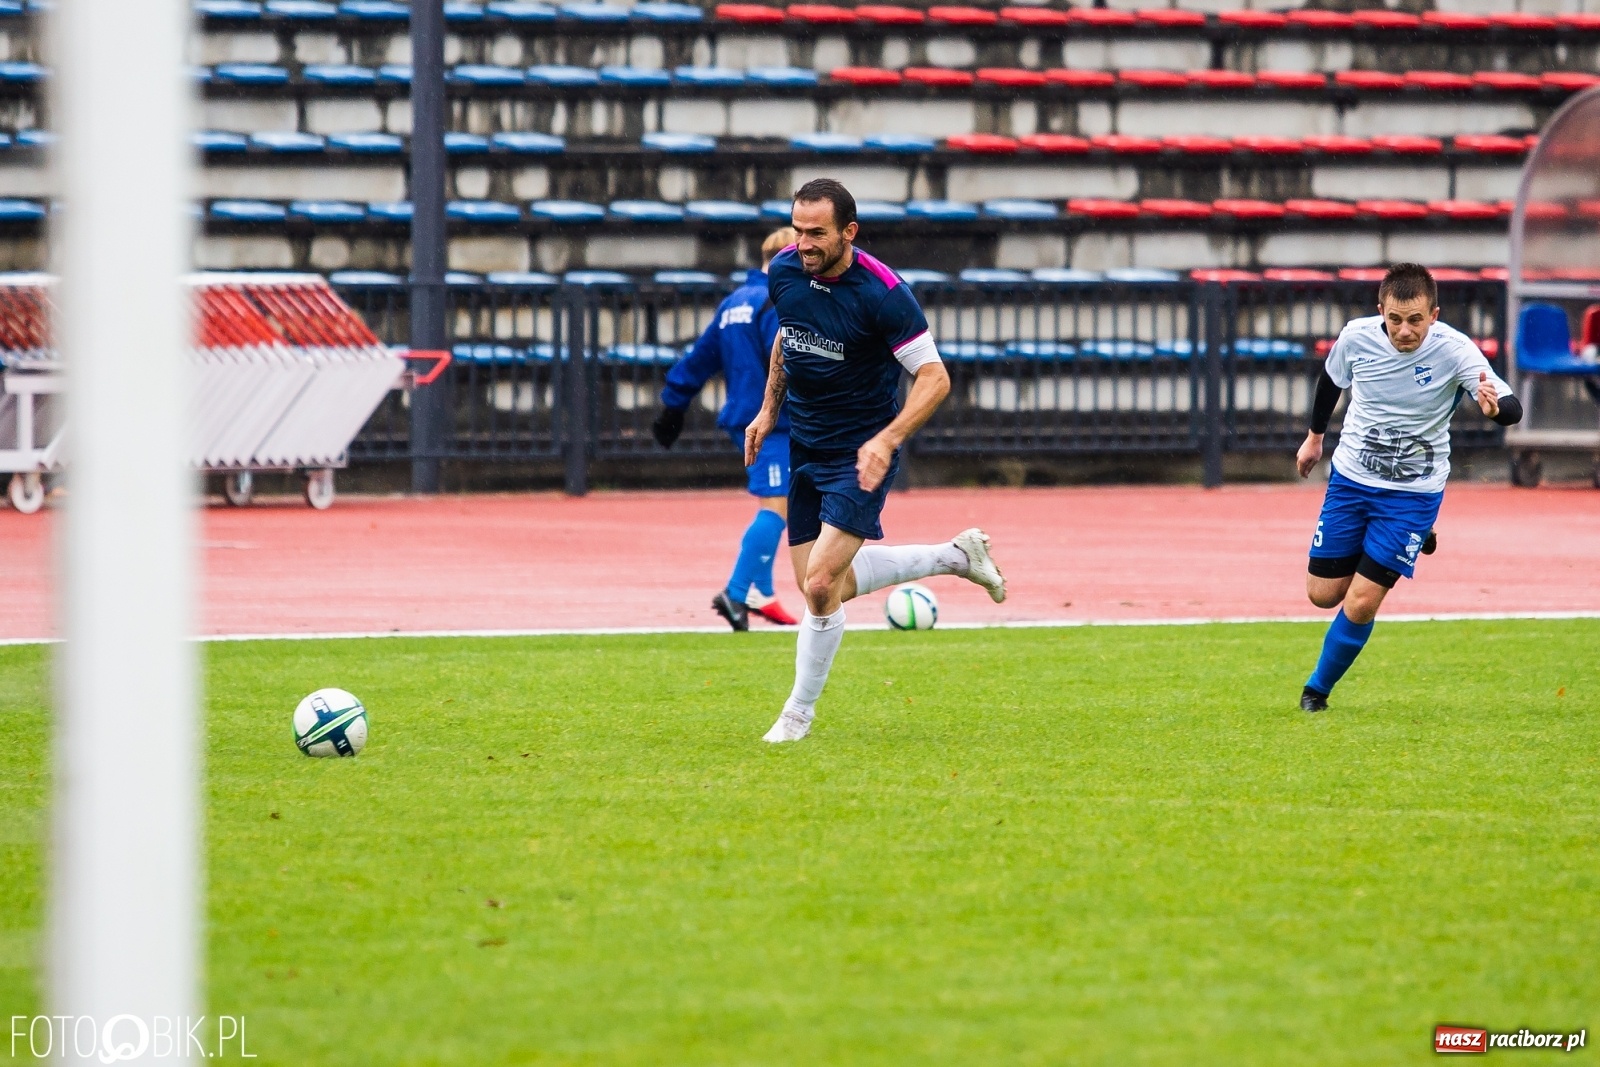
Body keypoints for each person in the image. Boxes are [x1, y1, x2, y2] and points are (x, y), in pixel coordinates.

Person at [744, 178, 1008, 743]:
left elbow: (935, 379)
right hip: (806, 447)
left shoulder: (885, 294)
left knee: (819, 585)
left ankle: (797, 716)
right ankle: (955, 556)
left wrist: (887, 440)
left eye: (817, 233)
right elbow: (788, 339)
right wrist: (768, 411)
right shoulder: (786, 271)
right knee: (825, 588)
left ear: (849, 232)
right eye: (798, 231)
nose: (804, 244)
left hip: (861, 453)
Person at [1294, 262, 1523, 712]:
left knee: (1360, 602)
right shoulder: (1357, 336)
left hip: (1413, 493)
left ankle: (1316, 692)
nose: (1404, 331)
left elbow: (1510, 406)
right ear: (1381, 310)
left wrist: (1495, 411)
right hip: (1352, 481)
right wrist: (1314, 438)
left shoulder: (1456, 351)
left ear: (1433, 315)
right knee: (1322, 594)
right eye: (1395, 319)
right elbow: (1331, 381)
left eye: (1415, 320)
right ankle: (1412, 539)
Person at [653, 228, 801, 630]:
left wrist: (673, 405)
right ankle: (737, 594)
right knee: (777, 507)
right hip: (773, 421)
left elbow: (699, 358)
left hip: (740, 415)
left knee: (777, 503)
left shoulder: (734, 301)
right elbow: (787, 359)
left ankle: (761, 592)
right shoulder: (776, 300)